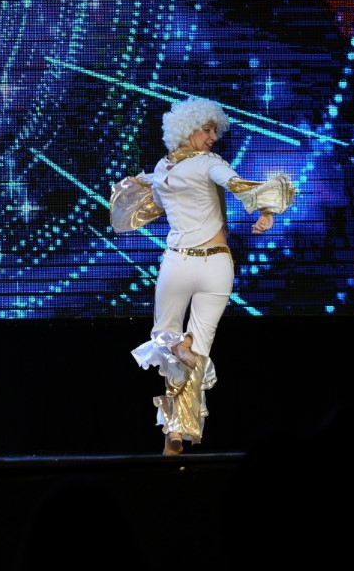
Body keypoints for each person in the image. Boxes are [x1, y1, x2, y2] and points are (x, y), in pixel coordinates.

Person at [110, 96, 295, 454]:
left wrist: (140, 185)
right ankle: (177, 429)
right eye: (207, 130)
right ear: (187, 129)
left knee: (167, 337)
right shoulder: (208, 163)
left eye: (215, 130)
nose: (214, 137)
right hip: (215, 267)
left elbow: (144, 201)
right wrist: (268, 208)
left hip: (178, 263)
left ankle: (174, 429)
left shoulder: (162, 168)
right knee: (196, 350)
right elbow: (237, 184)